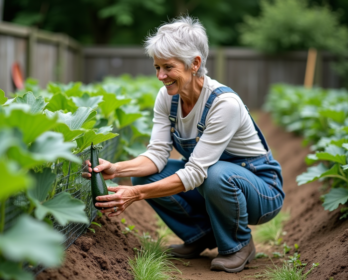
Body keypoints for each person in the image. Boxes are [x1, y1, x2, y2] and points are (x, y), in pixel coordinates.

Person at [87, 16, 284, 273]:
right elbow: (157, 155)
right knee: (144, 178)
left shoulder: (224, 104)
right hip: (211, 185)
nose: (160, 76)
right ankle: (200, 236)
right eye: (156, 67)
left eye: (167, 67)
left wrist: (134, 196)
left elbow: (195, 173)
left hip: (261, 190)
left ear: (195, 64)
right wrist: (117, 169)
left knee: (216, 175)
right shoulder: (167, 98)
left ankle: (239, 244)